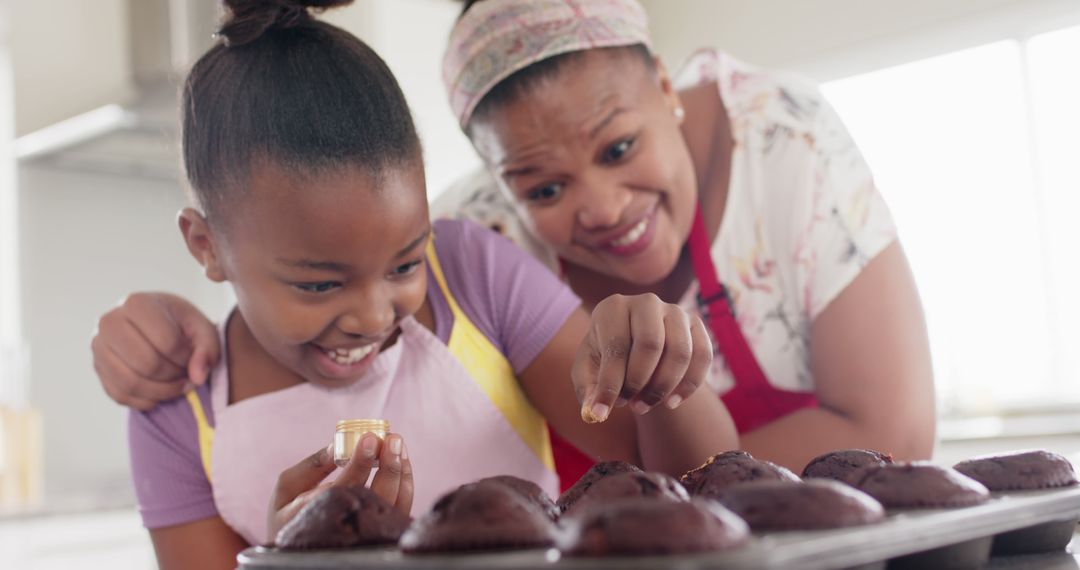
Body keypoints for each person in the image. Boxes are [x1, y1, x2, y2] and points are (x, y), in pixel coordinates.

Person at [95, 0, 935, 485]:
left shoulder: (781, 138)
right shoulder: (472, 239)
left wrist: (670, 475)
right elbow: (295, 264)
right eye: (543, 186)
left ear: (663, 87)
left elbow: (892, 431)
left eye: (617, 148)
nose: (602, 207)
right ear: (494, 180)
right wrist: (174, 327)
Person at [121, 1, 734, 568]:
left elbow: (683, 480)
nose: (370, 315)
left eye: (404, 264)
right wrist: (294, 557)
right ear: (207, 246)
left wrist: (662, 370)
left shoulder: (471, 272)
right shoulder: (178, 408)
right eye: (318, 287)